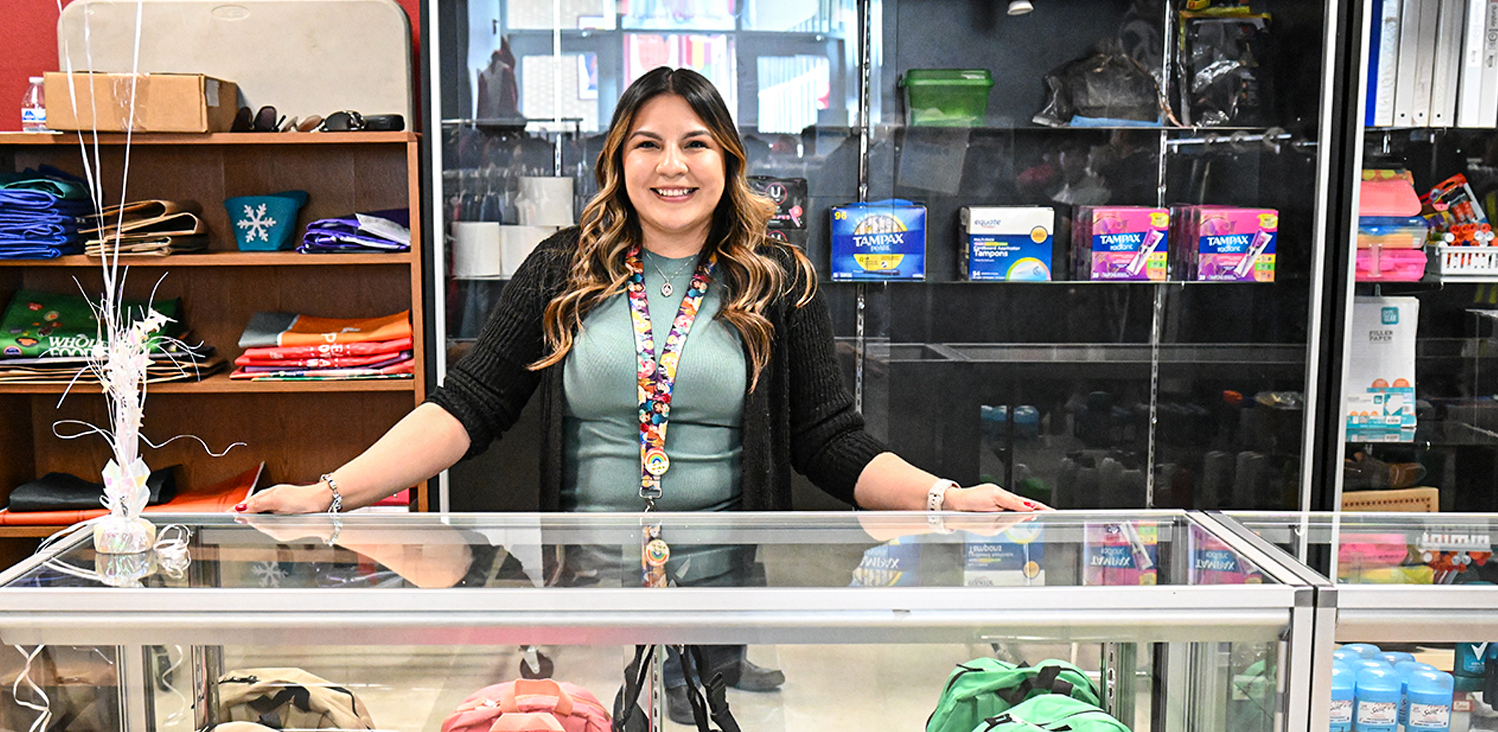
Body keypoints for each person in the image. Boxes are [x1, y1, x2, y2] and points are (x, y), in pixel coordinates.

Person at [242, 66, 1036, 696]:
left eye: (695, 144)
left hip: (724, 591)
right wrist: (330, 493)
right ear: (618, 162)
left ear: (727, 159)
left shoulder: (776, 278)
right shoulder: (561, 268)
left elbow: (829, 439)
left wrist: (945, 499)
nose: (672, 166)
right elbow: (467, 405)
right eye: (647, 145)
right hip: (579, 589)